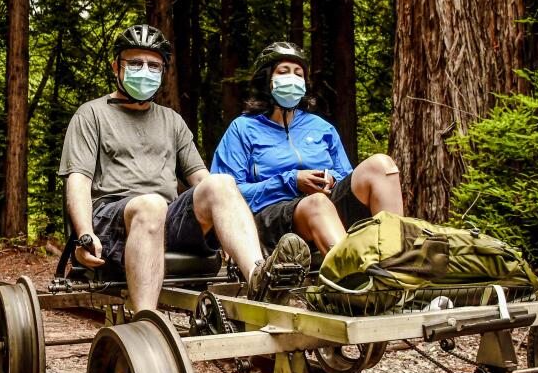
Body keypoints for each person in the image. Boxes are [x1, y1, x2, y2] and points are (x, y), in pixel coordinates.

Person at [59, 24, 311, 313]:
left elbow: (202, 179)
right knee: (151, 204)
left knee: (222, 183)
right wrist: (83, 234)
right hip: (111, 218)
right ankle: (146, 322)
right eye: (136, 63)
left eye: (153, 65)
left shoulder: (172, 121)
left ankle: (259, 280)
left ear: (163, 73)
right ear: (117, 66)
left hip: (164, 218)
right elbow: (78, 180)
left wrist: (226, 221)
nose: (145, 71)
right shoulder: (91, 114)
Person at [210, 42, 404, 256]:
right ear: (267, 81)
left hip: (327, 204)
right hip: (271, 216)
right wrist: (290, 181)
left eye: (298, 74)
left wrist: (331, 179)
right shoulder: (242, 128)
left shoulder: (321, 127)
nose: (292, 79)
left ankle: (394, 261)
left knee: (381, 166)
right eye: (283, 72)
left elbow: (348, 177)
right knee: (317, 203)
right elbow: (227, 195)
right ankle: (350, 276)